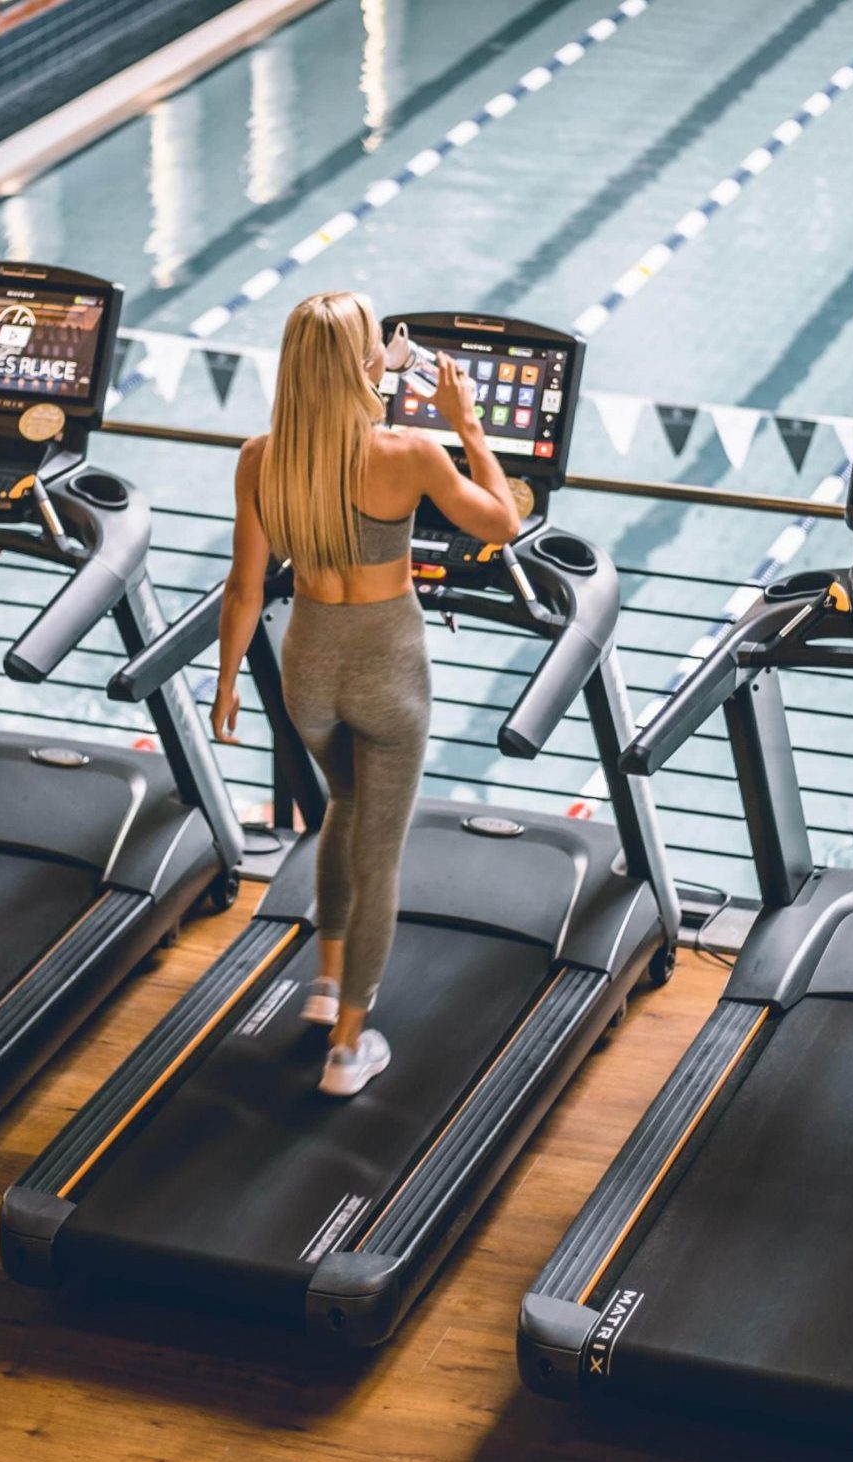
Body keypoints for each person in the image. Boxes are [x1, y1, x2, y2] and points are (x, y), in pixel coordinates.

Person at [212, 292, 521, 1096]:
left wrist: (225, 685)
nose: (388, 350)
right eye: (377, 343)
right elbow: (501, 525)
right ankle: (348, 1049)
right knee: (379, 858)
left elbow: (244, 587)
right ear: (361, 364)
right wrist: (467, 423)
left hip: (307, 668)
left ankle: (325, 984)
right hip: (386, 669)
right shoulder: (409, 453)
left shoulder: (259, 457)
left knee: (341, 809)